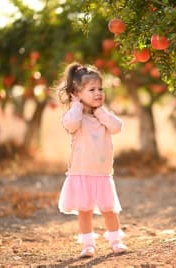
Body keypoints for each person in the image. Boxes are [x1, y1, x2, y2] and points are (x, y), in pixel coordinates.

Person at [55, 62, 127, 257]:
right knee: (84, 211)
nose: (98, 93)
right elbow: (70, 124)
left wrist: (101, 112)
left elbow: (117, 127)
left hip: (102, 174)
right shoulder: (75, 117)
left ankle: (115, 240)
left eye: (100, 89)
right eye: (92, 90)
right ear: (77, 94)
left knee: (109, 209)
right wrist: (77, 105)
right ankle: (88, 244)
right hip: (80, 172)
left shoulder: (102, 117)